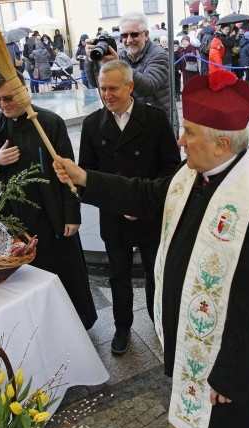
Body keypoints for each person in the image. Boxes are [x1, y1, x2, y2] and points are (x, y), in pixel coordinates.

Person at [53, 69, 249, 428]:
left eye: (190, 133)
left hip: (221, 355)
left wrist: (233, 374)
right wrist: (86, 179)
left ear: (221, 145)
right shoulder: (192, 175)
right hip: (187, 330)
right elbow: (146, 194)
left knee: (234, 420)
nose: (181, 141)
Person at [0, 70, 97, 330]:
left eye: (8, 99)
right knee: (25, 277)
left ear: (23, 91)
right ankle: (37, 326)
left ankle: (76, 323)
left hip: (51, 214)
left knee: (63, 272)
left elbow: (68, 170)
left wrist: (72, 214)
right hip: (13, 216)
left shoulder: (49, 123)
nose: (3, 106)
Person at [78, 60, 181, 354]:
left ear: (130, 86)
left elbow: (171, 169)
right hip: (114, 216)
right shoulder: (91, 125)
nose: (107, 95)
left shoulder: (156, 119)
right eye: (102, 89)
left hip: (149, 212)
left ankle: (158, 322)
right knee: (118, 275)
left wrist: (142, 200)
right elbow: (87, 175)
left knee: (154, 272)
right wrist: (117, 200)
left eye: (113, 88)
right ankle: (122, 327)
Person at [85, 11, 171, 116]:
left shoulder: (159, 55)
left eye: (134, 34)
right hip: (132, 119)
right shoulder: (120, 55)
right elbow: (95, 83)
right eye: (124, 35)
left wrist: (118, 63)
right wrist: (90, 60)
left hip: (157, 122)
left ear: (146, 34)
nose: (129, 40)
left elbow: (148, 86)